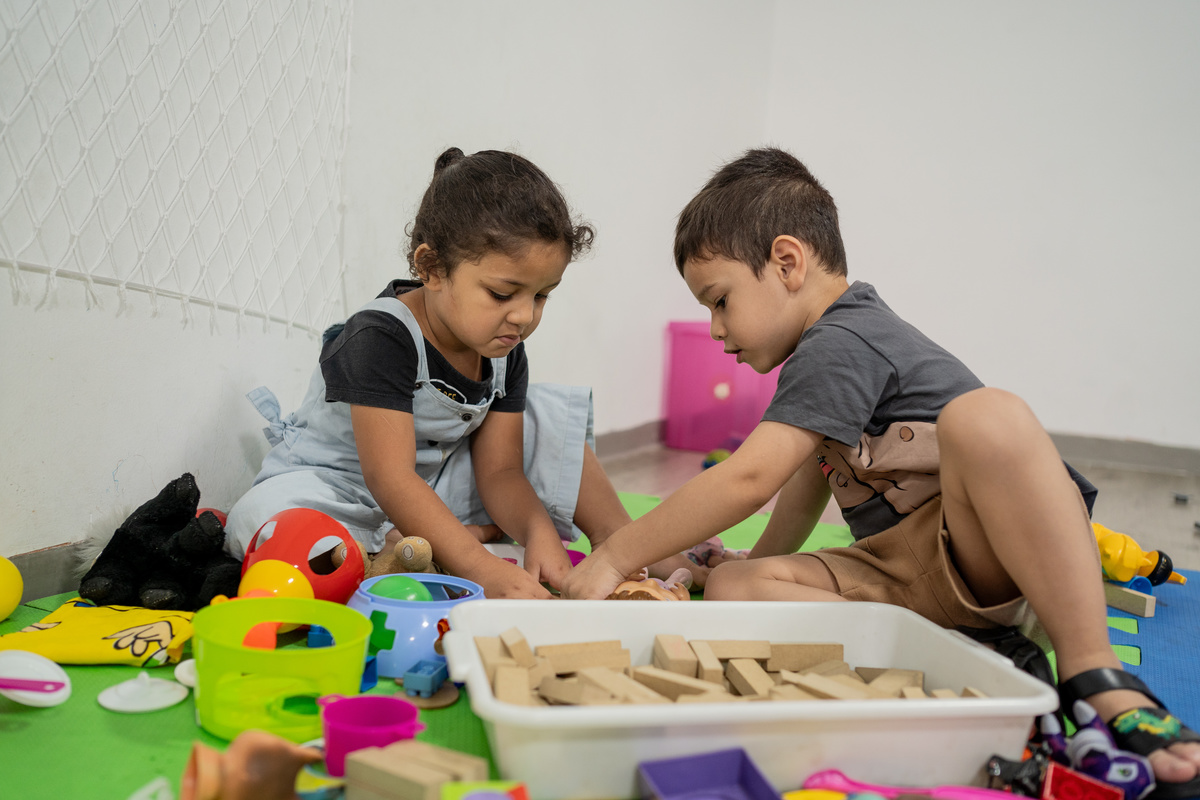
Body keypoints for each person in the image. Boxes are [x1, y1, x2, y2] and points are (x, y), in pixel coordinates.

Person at [561, 147, 1200, 797]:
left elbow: (749, 479)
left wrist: (616, 555)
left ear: (786, 263)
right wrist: (748, 562)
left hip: (976, 552)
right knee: (734, 592)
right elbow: (809, 478)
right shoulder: (814, 357)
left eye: (720, 301)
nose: (716, 329)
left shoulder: (844, 339)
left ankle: (1093, 669)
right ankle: (975, 656)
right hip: (899, 573)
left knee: (986, 417)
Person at [225, 147, 693, 599]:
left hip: (427, 486)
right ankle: (416, 549)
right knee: (263, 521)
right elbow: (389, 477)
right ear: (431, 268)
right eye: (501, 293)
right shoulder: (380, 336)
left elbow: (502, 471)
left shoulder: (505, 350)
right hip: (339, 486)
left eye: (541, 296)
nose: (523, 317)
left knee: (544, 418)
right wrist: (480, 568)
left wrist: (536, 531)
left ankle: (620, 540)